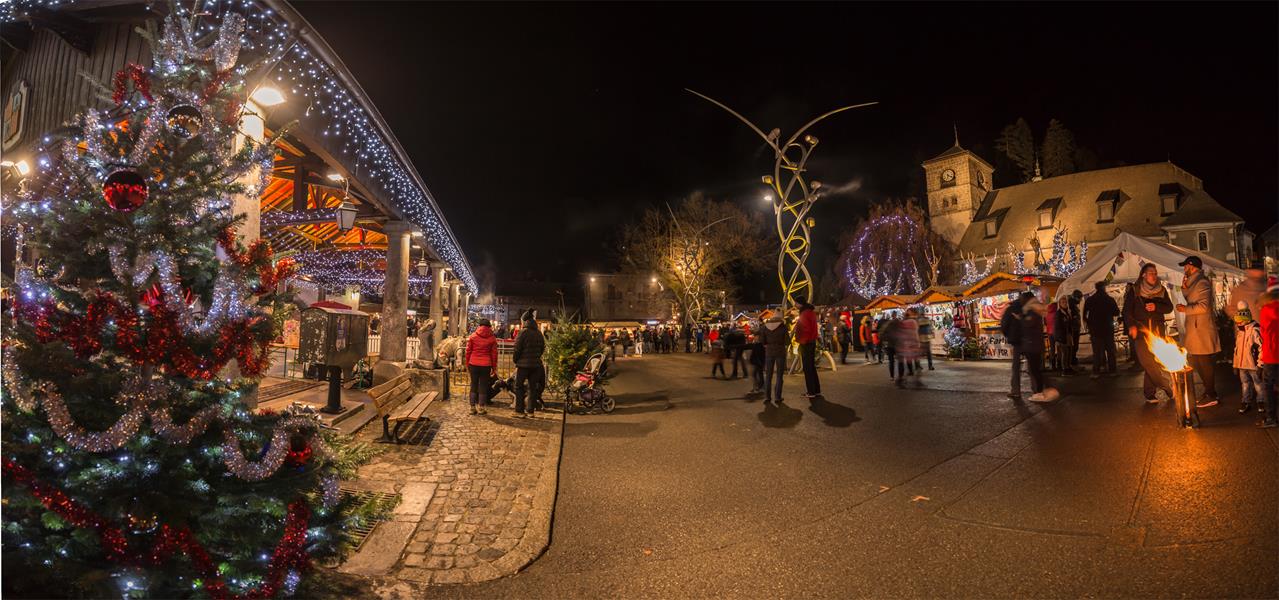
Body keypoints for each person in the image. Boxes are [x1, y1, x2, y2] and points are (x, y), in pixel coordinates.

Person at [1122, 263, 1175, 404]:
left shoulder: (1161, 290)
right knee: (1147, 362)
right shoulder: (1135, 290)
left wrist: (1156, 306)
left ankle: (1149, 393)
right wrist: (1131, 325)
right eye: (1151, 273)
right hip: (1141, 332)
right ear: (1143, 275)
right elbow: (1126, 311)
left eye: (1155, 273)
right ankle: (1166, 386)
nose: (1154, 275)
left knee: (1153, 362)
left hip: (1157, 331)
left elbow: (1169, 308)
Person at [1176, 256, 1221, 408]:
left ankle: (1211, 394)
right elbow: (1192, 297)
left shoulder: (1202, 282)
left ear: (1192, 266)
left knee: (1203, 361)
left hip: (1201, 328)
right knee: (1196, 361)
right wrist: (1184, 288)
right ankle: (1209, 392)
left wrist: (1185, 309)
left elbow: (1203, 306)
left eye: (1185, 266)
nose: (1184, 269)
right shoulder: (1195, 282)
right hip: (1195, 328)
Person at [511, 310, 546, 418]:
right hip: (536, 365)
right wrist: (536, 357)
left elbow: (517, 349)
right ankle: (530, 411)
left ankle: (519, 411)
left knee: (518, 386)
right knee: (532, 388)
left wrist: (516, 360)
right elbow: (542, 348)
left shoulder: (523, 332)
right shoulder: (539, 333)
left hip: (523, 365)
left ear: (524, 321)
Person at [1019, 292, 1052, 402]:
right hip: (1034, 344)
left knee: (1034, 370)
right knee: (1035, 369)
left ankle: (1038, 392)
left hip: (1032, 345)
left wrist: (1020, 318)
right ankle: (1039, 391)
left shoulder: (1032, 311)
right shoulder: (1035, 309)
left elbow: (1028, 324)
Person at [1231, 301, 1263, 414]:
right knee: (1245, 383)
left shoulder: (1255, 331)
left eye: (1240, 321)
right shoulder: (1240, 331)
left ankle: (1261, 401)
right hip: (1242, 365)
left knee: (1258, 384)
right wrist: (1235, 365)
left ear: (1246, 320)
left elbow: (1262, 348)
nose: (1238, 324)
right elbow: (1237, 350)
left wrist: (1260, 364)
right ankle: (1246, 401)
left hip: (1253, 365)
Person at [1083, 281, 1119, 378]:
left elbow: (1085, 314)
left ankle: (1096, 372)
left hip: (1095, 330)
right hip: (1108, 329)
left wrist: (1090, 324)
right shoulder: (1109, 299)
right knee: (1110, 351)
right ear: (1104, 288)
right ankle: (1112, 371)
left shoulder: (1090, 300)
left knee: (1097, 352)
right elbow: (1116, 312)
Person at [464, 318, 498, 415]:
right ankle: (481, 408)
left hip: (473, 363)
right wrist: (494, 367)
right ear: (489, 327)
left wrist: (467, 363)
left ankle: (472, 408)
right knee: (483, 385)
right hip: (486, 365)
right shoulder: (492, 338)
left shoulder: (473, 336)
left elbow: (468, 351)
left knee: (473, 384)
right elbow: (494, 354)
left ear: (479, 326)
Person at [1257, 277, 1278, 428]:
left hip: (1272, 353)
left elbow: (1264, 332)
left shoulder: (1266, 309)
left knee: (1268, 385)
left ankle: (1271, 418)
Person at [1000, 293, 1026, 400]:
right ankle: (1037, 391)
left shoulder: (1010, 309)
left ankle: (1016, 390)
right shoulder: (1027, 309)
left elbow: (1004, 325)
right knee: (1033, 367)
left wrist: (1009, 335)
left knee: (1016, 367)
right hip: (1028, 340)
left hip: (1017, 341)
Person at [1228, 260, 1268, 325]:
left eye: (1260, 271)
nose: (1257, 273)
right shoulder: (1240, 289)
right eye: (1256, 271)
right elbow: (1233, 309)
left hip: (1265, 327)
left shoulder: (1267, 287)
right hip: (1250, 328)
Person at [761, 315, 789, 405]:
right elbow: (787, 341)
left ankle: (767, 397)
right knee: (779, 376)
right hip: (780, 351)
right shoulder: (783, 327)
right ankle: (777, 397)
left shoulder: (765, 327)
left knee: (768, 376)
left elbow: (763, 341)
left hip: (769, 352)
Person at [795, 302, 821, 398]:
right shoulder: (811, 312)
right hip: (812, 341)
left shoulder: (804, 314)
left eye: (796, 303)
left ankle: (811, 392)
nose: (795, 305)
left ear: (800, 303)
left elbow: (805, 329)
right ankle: (816, 390)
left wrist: (802, 341)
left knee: (807, 368)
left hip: (806, 343)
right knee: (811, 367)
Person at [895, 309, 921, 385]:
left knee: (907, 361)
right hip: (915, 344)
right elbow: (916, 332)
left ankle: (903, 378)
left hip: (906, 345)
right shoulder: (914, 322)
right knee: (916, 361)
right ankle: (917, 379)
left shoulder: (902, 323)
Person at [1052, 295, 1076, 375]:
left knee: (1069, 351)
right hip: (1062, 336)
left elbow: (1069, 324)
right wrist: (1058, 338)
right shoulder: (1059, 313)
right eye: (1063, 302)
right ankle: (1065, 369)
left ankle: (1068, 367)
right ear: (1059, 304)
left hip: (1068, 335)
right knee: (1065, 353)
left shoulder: (1067, 312)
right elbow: (1057, 326)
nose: (1065, 304)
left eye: (1065, 302)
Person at [879, 316, 899, 380]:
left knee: (891, 361)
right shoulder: (898, 326)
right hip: (897, 345)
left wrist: (885, 341)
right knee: (900, 361)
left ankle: (892, 376)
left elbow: (881, 334)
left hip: (889, 345)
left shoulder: (886, 326)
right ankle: (900, 376)